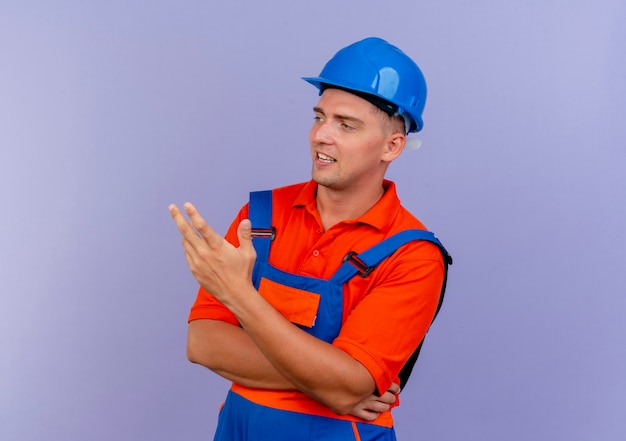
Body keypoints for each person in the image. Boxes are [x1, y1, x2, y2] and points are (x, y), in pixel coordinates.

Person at [169, 37, 452, 441]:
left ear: (392, 146)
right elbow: (202, 343)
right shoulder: (261, 217)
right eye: (320, 117)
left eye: (345, 125)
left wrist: (239, 296)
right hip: (239, 427)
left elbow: (350, 384)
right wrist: (332, 384)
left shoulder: (413, 257)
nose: (322, 135)